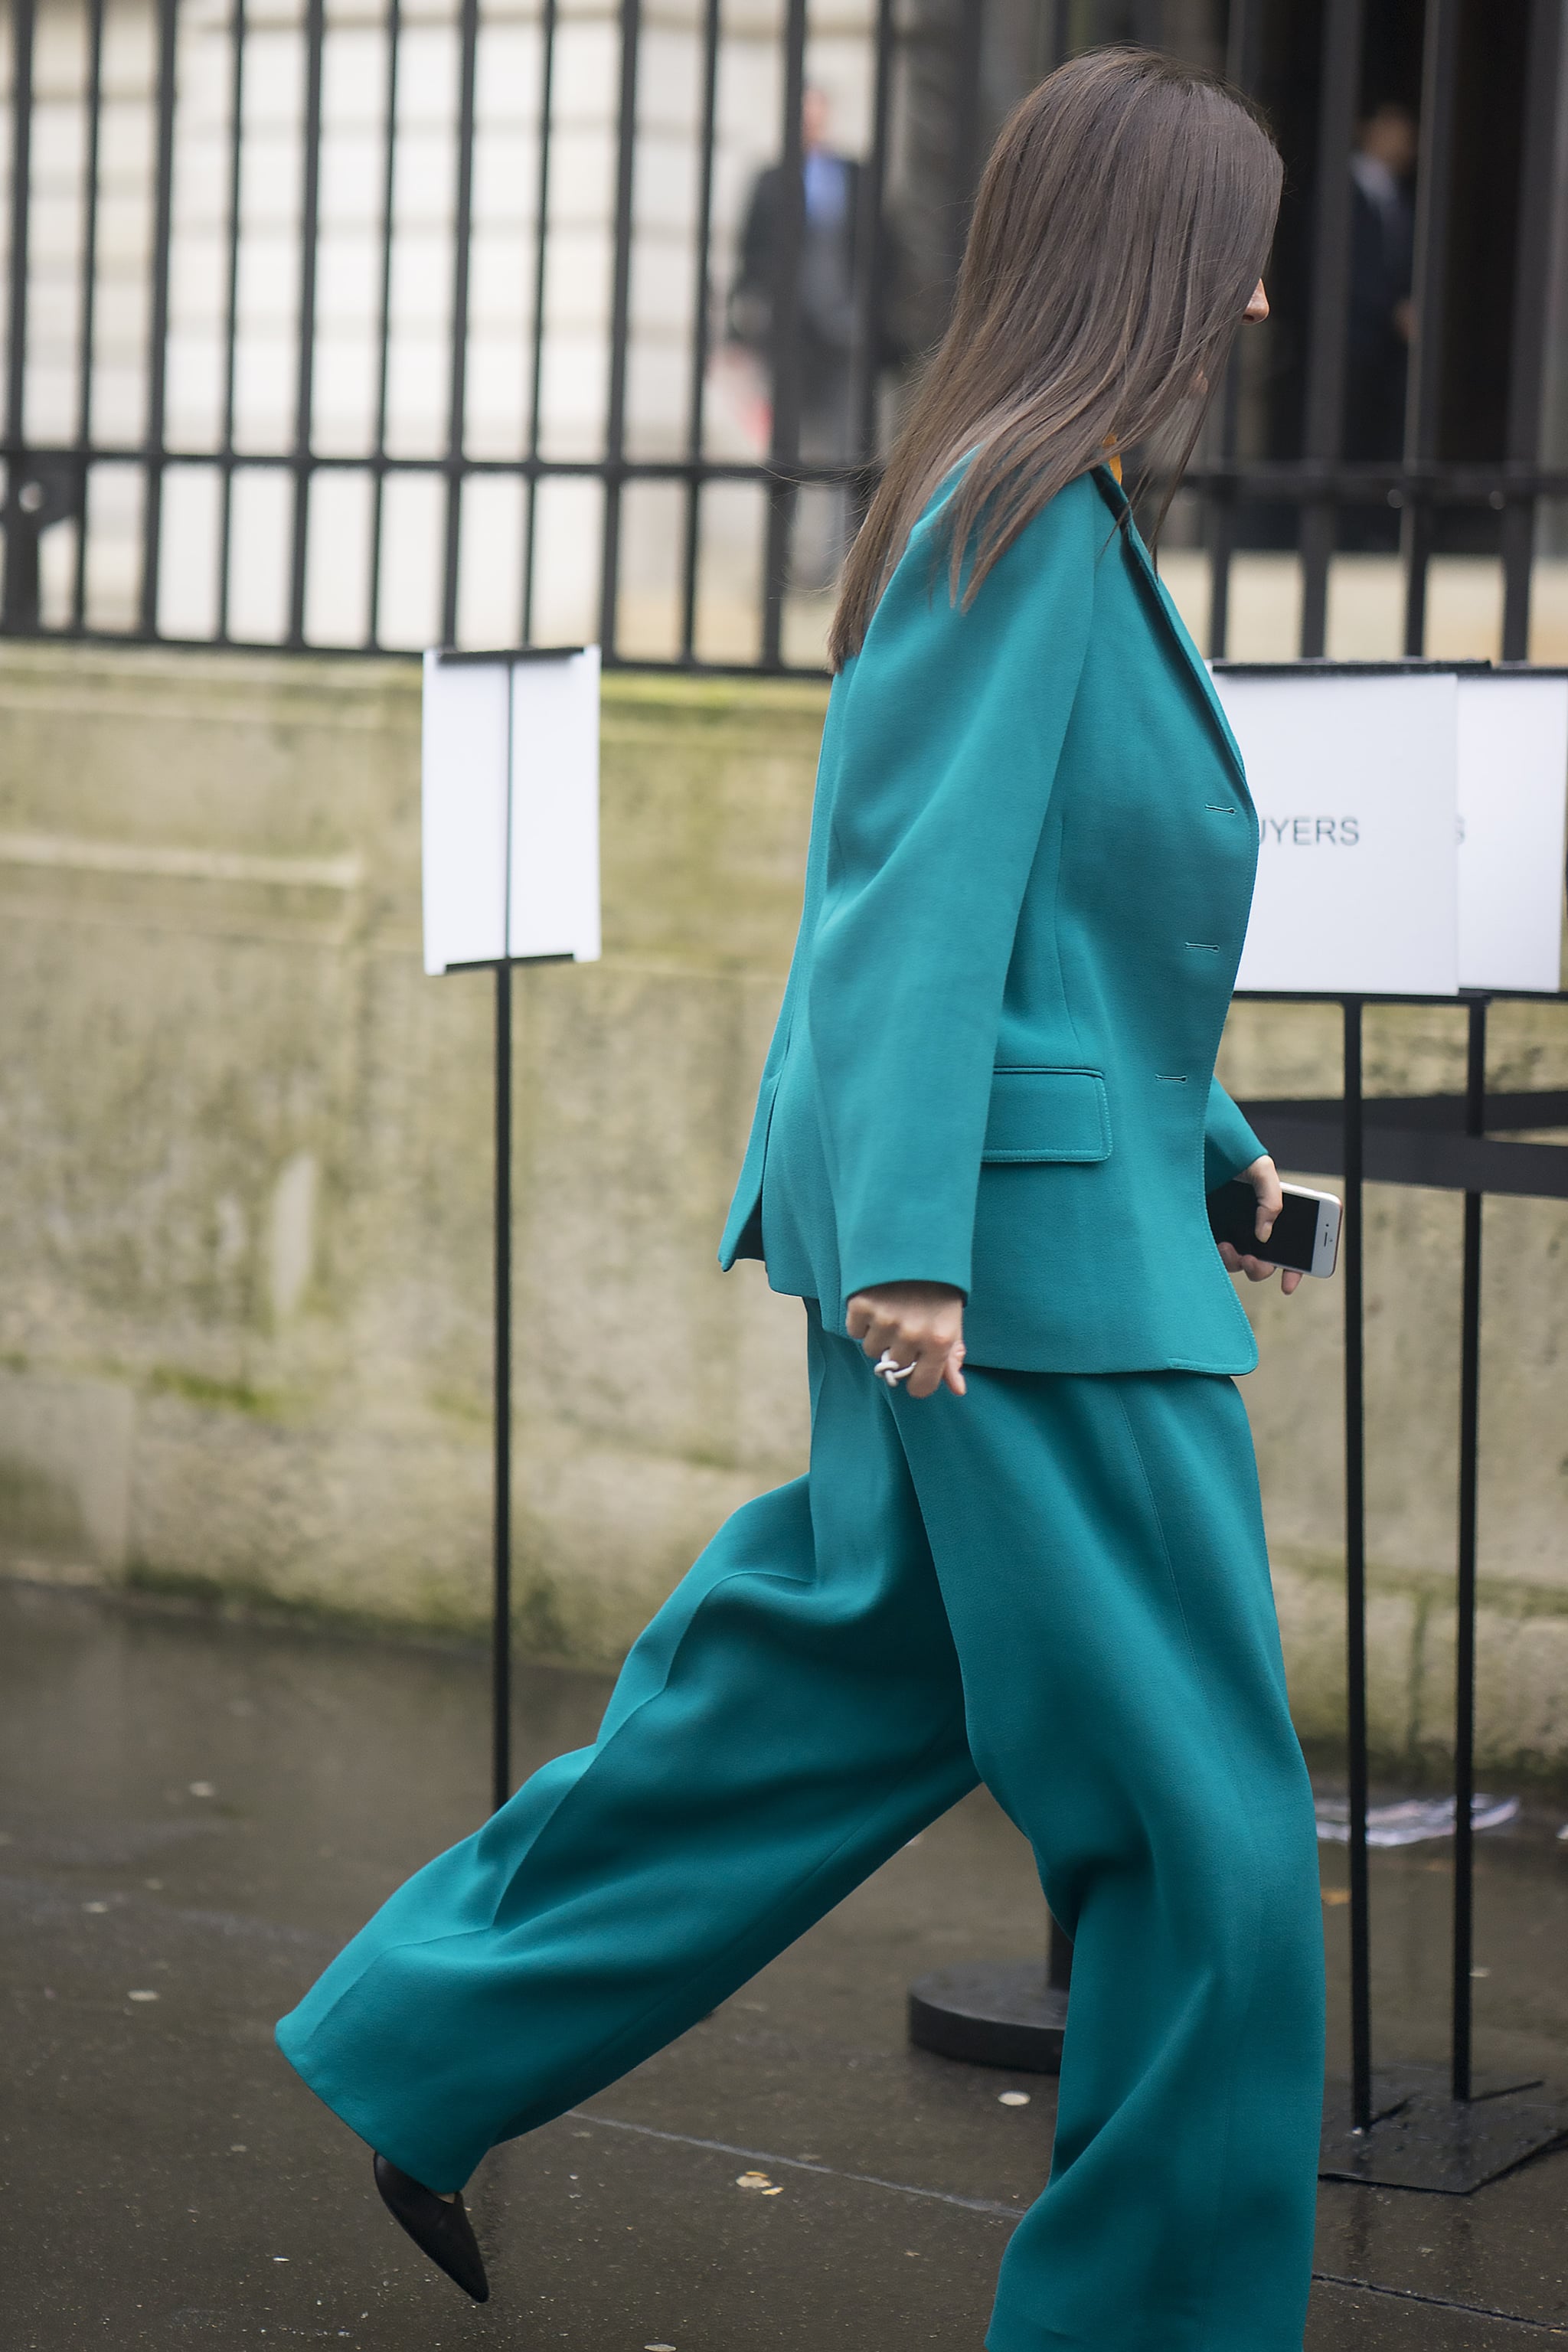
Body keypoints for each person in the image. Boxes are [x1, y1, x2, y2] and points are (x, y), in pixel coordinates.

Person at [276, 48, 1325, 2352]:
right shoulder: (1023, 518)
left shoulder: (1037, 508)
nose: (1257, 304)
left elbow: (1057, 935)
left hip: (1032, 1239)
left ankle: (426, 2035)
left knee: (819, 1685)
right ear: (1148, 255)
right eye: (1236, 250)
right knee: (1212, 1849)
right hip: (1017, 1298)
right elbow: (908, 912)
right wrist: (920, 1253)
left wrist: (1214, 1142)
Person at [727, 87, 903, 585]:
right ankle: (787, 566)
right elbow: (749, 259)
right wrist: (737, 333)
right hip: (790, 343)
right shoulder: (768, 180)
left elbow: (886, 250)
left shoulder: (855, 175)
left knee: (852, 454)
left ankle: (847, 563)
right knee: (789, 456)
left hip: (848, 340)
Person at [1346, 99, 1416, 463]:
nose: (1408, 140)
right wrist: (1392, 310)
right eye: (1396, 126)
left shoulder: (1399, 195)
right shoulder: (1340, 190)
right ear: (1370, 128)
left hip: (1385, 350)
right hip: (1348, 338)